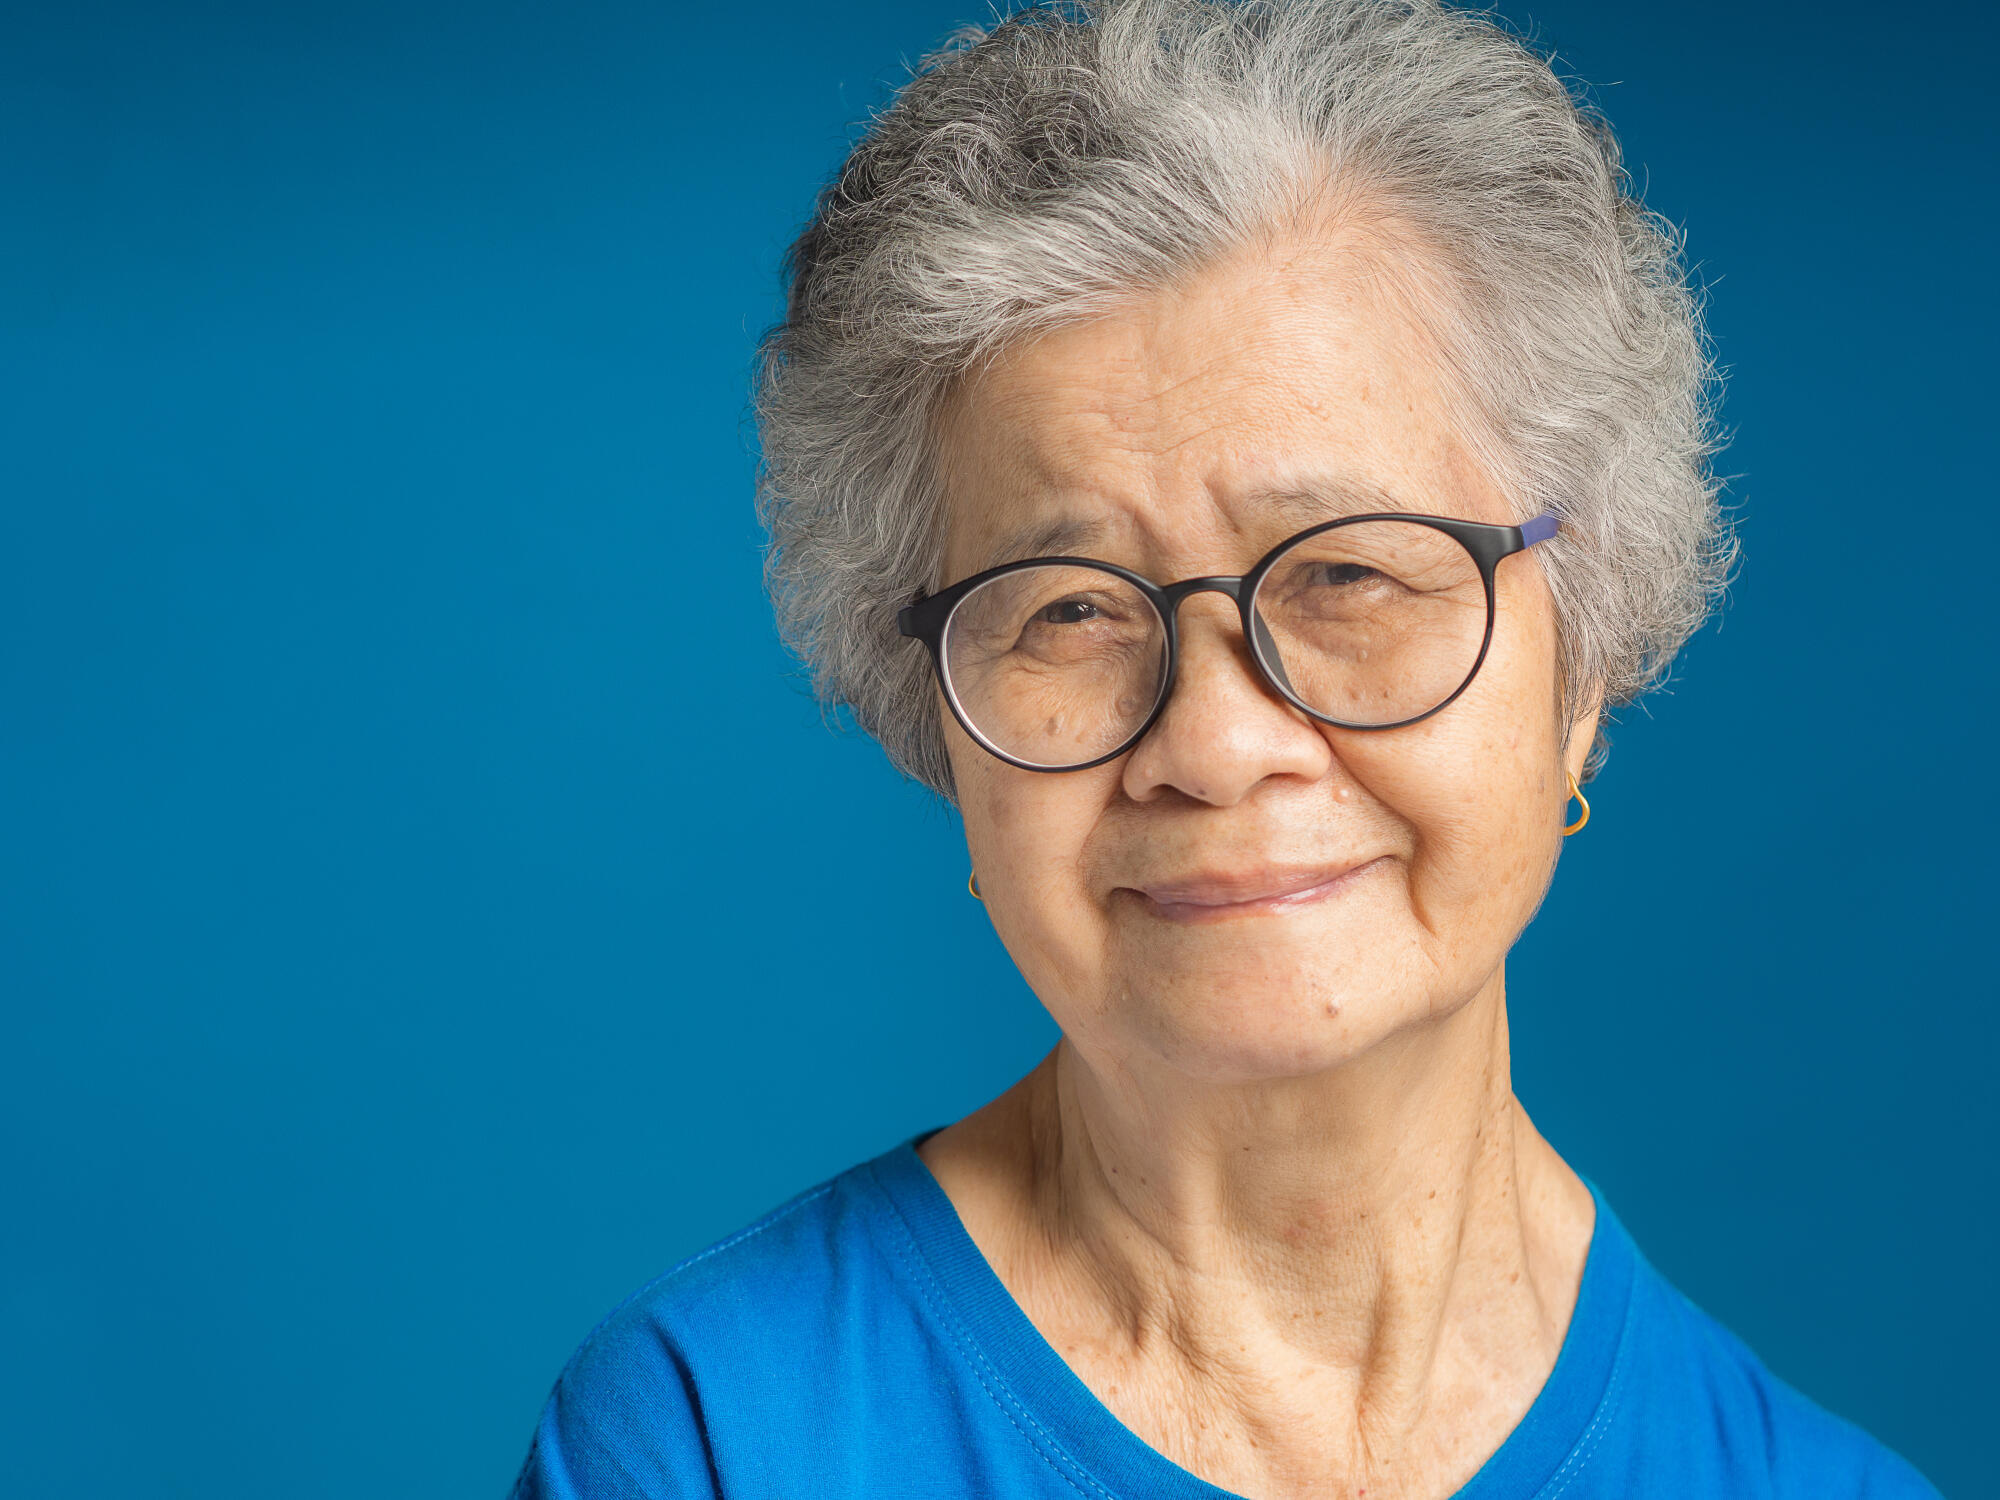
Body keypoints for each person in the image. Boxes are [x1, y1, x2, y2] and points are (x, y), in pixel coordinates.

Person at [510, 1, 1942, 1495]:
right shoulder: (709, 1440)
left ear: (1578, 667)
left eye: (1349, 575)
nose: (1215, 742)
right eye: (1069, 609)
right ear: (938, 724)